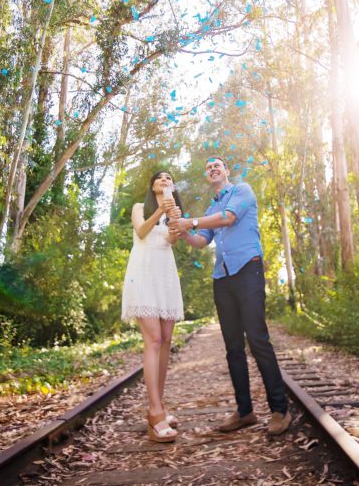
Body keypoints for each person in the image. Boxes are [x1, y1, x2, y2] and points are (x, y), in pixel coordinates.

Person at [171, 156, 292, 436]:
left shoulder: (242, 191)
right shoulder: (211, 206)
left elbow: (229, 218)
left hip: (248, 269)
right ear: (207, 176)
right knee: (233, 347)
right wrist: (182, 230)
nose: (212, 168)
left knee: (258, 339)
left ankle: (280, 409)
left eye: (217, 165)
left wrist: (191, 221)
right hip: (222, 278)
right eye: (208, 166)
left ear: (226, 171)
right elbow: (201, 241)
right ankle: (245, 411)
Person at [121, 170, 186, 443]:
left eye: (169, 178)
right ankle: (155, 412)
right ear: (152, 186)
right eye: (159, 178)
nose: (164, 180)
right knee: (154, 339)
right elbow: (142, 231)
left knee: (167, 339)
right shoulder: (141, 207)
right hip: (143, 274)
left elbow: (171, 241)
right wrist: (160, 208)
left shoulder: (175, 211)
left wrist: (174, 219)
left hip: (165, 276)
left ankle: (158, 406)